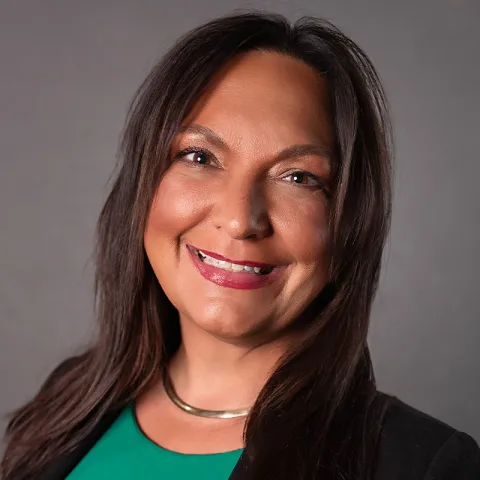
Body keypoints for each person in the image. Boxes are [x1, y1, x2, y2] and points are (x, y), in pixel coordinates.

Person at [1, 10, 479, 480]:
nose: (238, 219)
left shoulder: (422, 465)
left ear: (350, 223)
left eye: (299, 177)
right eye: (199, 156)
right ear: (143, 185)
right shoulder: (68, 403)